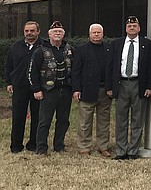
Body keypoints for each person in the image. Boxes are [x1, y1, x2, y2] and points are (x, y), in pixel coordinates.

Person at [109, 16, 151, 160]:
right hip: (121, 84)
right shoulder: (117, 43)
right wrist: (110, 87)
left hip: (138, 84)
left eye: (135, 26)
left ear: (139, 28)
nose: (132, 28)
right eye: (129, 26)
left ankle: (133, 151)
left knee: (137, 119)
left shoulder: (147, 44)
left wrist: (149, 86)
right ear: (126, 28)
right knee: (121, 119)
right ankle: (121, 151)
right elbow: (110, 67)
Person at [27, 21, 75, 155]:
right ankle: (41, 148)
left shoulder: (70, 49)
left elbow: (76, 70)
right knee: (44, 121)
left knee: (63, 120)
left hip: (65, 90)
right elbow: (32, 72)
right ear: (49, 34)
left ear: (63, 34)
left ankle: (59, 145)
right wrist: (36, 89)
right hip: (48, 92)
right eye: (55, 32)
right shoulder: (40, 51)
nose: (57, 34)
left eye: (60, 32)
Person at [71, 23, 113, 157]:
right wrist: (76, 89)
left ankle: (103, 146)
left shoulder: (108, 48)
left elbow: (112, 70)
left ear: (103, 34)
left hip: (104, 90)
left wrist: (111, 87)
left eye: (98, 33)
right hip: (87, 90)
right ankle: (84, 147)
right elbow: (76, 71)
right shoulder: (81, 49)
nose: (96, 35)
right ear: (89, 34)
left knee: (104, 121)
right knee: (85, 122)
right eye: (94, 33)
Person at [6, 21, 43, 153]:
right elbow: (9, 65)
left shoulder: (44, 46)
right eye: (27, 31)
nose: (29, 33)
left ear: (38, 31)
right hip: (19, 86)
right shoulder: (16, 46)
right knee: (18, 117)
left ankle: (33, 144)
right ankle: (16, 145)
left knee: (37, 117)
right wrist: (9, 82)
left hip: (37, 88)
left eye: (32, 30)